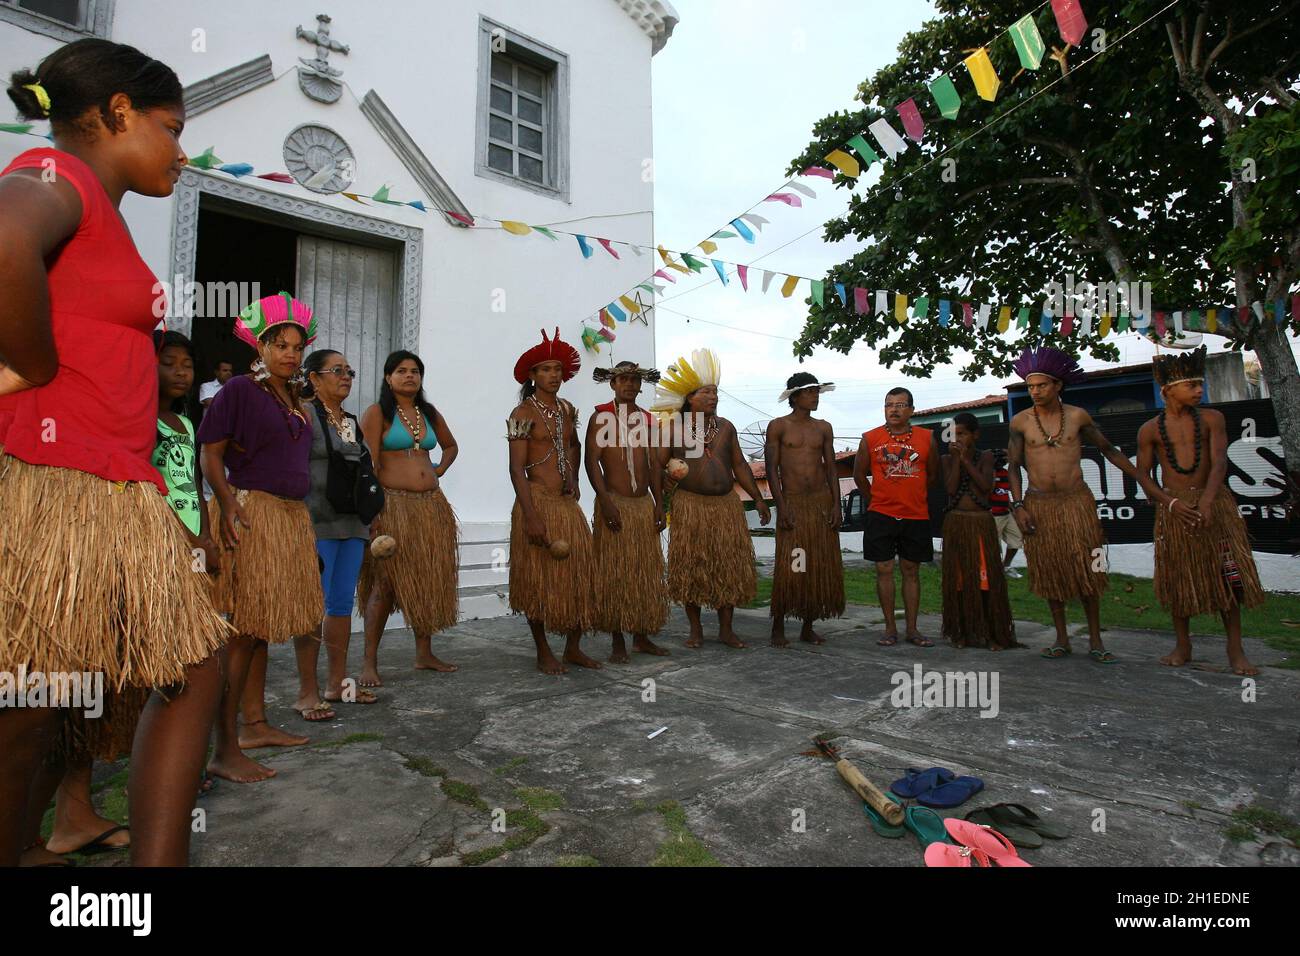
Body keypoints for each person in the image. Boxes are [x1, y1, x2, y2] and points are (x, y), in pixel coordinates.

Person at [0, 39, 229, 866]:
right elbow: (2, 240)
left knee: (48, 698)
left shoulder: (97, 204)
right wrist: (32, 367)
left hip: (105, 488)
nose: (181, 149)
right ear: (119, 113)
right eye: (172, 128)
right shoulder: (60, 179)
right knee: (43, 698)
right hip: (63, 483)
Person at [199, 293, 326, 779]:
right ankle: (224, 747)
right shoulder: (239, 392)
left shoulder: (293, 397)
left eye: (296, 346)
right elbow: (211, 453)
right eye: (279, 344)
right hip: (253, 515)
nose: (290, 353)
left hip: (290, 519)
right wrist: (228, 503)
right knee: (244, 630)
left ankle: (254, 724)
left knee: (261, 631)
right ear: (261, 346)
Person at [1007, 346, 1189, 663]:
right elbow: (1012, 466)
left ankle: (1095, 638)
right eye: (1031, 387)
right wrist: (1018, 505)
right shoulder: (1020, 422)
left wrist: (1144, 480)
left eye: (1042, 385)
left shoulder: (1078, 416)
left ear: (1057, 386)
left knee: (1091, 568)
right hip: (1039, 505)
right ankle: (1061, 637)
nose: (1035, 392)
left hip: (1078, 504)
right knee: (1050, 571)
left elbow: (1109, 450)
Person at [1137, 346, 1263, 675]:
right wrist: (1171, 504)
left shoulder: (1212, 419)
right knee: (1179, 580)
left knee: (1229, 579)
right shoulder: (1150, 430)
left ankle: (1235, 650)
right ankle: (1183, 644)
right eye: (1192, 385)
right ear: (1168, 390)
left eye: (1200, 384)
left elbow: (1220, 461)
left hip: (1214, 504)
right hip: (1175, 510)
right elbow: (1144, 477)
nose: (1200, 390)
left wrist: (1206, 501)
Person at [652, 349, 771, 649]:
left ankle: (726, 630)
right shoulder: (675, 428)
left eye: (715, 392)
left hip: (726, 506)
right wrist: (661, 493)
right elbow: (656, 465)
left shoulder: (726, 427)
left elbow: (741, 465)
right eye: (706, 392)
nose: (713, 397)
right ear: (690, 398)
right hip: (690, 505)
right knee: (691, 568)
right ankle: (695, 630)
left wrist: (757, 498)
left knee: (727, 567)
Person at [358, 350, 461, 684]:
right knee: (384, 583)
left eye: (415, 371)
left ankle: (424, 653)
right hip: (393, 506)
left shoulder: (427, 412)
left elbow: (450, 446)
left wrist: (438, 470)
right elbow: (368, 463)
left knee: (428, 579)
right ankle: (369, 662)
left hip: (430, 506)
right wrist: (373, 514)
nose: (409, 376)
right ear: (388, 378)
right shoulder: (377, 413)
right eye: (401, 371)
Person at [507, 329, 600, 674]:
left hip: (565, 505)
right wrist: (530, 516)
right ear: (532, 376)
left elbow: (573, 445)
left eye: (558, 370)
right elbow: (516, 469)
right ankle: (543, 650)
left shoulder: (566, 409)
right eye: (545, 370)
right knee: (537, 579)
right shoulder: (521, 413)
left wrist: (574, 477)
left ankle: (573, 648)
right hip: (536, 501)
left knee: (581, 573)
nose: (553, 376)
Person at [295, 348, 378, 713]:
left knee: (342, 605)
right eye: (336, 370)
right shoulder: (303, 416)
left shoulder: (348, 421)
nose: (345, 376)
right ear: (313, 378)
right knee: (313, 607)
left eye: (350, 371)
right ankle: (307, 693)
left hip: (351, 524)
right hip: (316, 523)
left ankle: (337, 685)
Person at [585, 361, 671, 663]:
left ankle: (642, 637)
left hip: (643, 505)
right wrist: (605, 501)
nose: (630, 385)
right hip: (616, 503)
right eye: (623, 380)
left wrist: (660, 503)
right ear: (613, 384)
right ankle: (617, 640)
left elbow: (655, 467)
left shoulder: (648, 420)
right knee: (615, 573)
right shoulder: (601, 418)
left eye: (635, 380)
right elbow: (591, 462)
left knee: (644, 573)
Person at [853, 387, 940, 648]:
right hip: (881, 514)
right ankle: (890, 629)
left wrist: (913, 495)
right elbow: (859, 475)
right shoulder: (870, 438)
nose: (894, 409)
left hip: (915, 514)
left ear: (911, 410)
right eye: (889, 404)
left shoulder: (927, 438)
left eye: (900, 405)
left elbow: (933, 475)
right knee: (884, 569)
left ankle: (912, 629)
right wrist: (876, 500)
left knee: (911, 570)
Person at [765, 372, 845, 647]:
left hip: (820, 504)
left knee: (816, 565)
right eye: (810, 392)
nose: (815, 397)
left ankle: (807, 626)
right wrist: (782, 505)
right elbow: (772, 471)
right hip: (794, 504)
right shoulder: (778, 426)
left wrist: (837, 504)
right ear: (795, 396)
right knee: (793, 565)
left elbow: (832, 470)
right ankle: (778, 625)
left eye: (817, 392)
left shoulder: (823, 427)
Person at [940, 414, 1016, 650]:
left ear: (975, 435)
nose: (957, 438)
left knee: (987, 582)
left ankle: (992, 633)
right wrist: (956, 461)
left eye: (962, 433)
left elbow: (985, 487)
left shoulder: (985, 457)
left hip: (981, 523)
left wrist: (965, 460)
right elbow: (951, 489)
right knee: (959, 582)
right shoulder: (946, 459)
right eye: (954, 434)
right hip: (956, 523)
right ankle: (961, 632)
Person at [988, 450, 1023, 578]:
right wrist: (992, 472)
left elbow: (1004, 494)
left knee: (1017, 540)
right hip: (993, 515)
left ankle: (1005, 566)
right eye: (1000, 458)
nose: (1003, 460)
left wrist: (1013, 511)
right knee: (994, 547)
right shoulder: (987, 472)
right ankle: (994, 571)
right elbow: (988, 491)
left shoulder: (1005, 473)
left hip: (1006, 513)